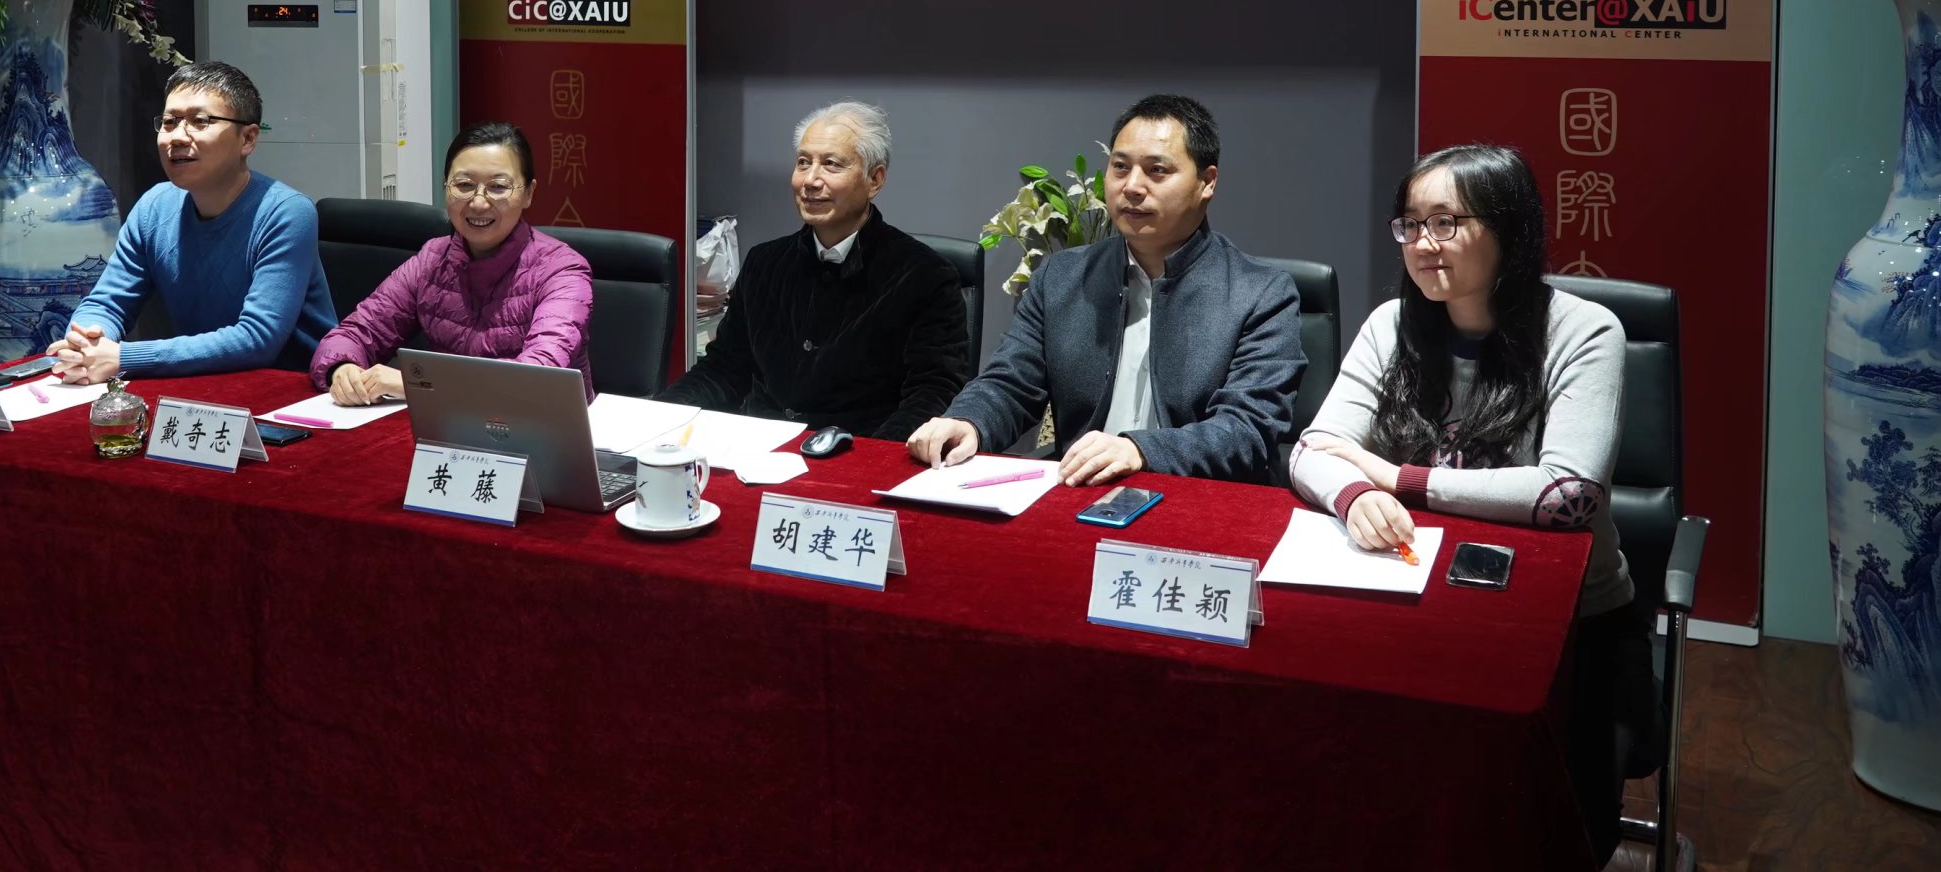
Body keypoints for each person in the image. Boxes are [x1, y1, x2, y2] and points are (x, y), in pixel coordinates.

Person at [1290, 142, 1655, 869]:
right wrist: (1354, 493)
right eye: (1410, 224)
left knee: (1543, 834)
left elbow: (1567, 494)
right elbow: (1312, 449)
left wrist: (1401, 480)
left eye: (1446, 223)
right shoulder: (1391, 325)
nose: (1422, 244)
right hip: (1416, 602)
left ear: (1509, 229)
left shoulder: (1583, 330)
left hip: (1566, 628)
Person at [907, 94, 1302, 486]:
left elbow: (1247, 429)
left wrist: (1141, 450)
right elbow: (1011, 382)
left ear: (1207, 182)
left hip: (1199, 502)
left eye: (1157, 171)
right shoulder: (1061, 276)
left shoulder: (1261, 293)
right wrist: (969, 421)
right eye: (1120, 167)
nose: (1132, 186)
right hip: (1081, 492)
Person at [656, 102, 969, 439]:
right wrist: (658, 418)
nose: (810, 180)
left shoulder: (925, 276)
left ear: (874, 180)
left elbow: (931, 394)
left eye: (831, 164)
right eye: (803, 162)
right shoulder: (764, 263)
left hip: (856, 452)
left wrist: (868, 461)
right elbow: (724, 369)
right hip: (757, 450)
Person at [52, 62, 337, 383]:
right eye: (169, 122)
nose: (177, 137)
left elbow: (258, 338)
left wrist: (123, 357)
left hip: (294, 390)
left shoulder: (286, 212)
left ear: (247, 139)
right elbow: (107, 303)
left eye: (200, 121)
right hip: (204, 385)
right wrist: (87, 341)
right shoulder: (154, 207)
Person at [309, 120, 594, 404]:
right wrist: (343, 369)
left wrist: (417, 383)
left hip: (548, 425)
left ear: (528, 193)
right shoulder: (432, 260)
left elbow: (537, 377)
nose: (479, 203)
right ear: (446, 187)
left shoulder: (562, 271)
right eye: (464, 185)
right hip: (448, 423)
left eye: (498, 187)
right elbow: (355, 333)